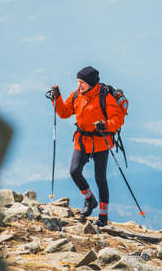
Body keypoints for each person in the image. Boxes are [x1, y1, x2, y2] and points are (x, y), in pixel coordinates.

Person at [50, 66, 124, 226]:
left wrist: (104, 125)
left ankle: (103, 217)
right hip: (82, 140)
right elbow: (64, 113)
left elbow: (117, 120)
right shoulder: (77, 95)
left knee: (100, 179)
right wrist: (57, 98)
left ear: (90, 83)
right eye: (78, 82)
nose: (79, 85)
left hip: (101, 142)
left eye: (82, 82)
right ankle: (90, 199)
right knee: (74, 171)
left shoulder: (105, 97)